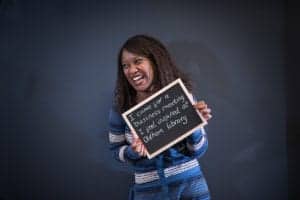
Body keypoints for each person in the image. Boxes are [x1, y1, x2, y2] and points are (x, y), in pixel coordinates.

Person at [108, 35, 212, 200]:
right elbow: (116, 151)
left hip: (190, 190)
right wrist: (132, 151)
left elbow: (198, 150)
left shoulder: (180, 96)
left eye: (138, 61)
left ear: (155, 61)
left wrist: (195, 126)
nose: (131, 70)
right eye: (125, 66)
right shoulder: (121, 107)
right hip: (148, 193)